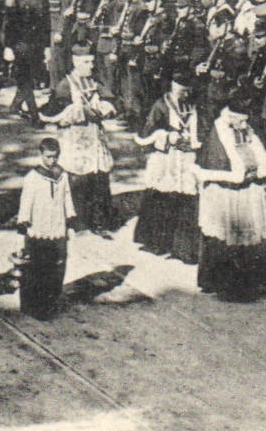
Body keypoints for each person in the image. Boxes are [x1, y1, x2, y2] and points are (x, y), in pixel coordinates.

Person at [195, 92, 266, 300]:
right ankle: (226, 285)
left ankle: (254, 281)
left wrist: (259, 169)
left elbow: (259, 152)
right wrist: (238, 174)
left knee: (252, 233)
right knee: (227, 234)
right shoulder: (218, 131)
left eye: (245, 120)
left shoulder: (245, 128)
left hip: (249, 189)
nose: (243, 123)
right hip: (227, 192)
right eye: (239, 119)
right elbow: (216, 162)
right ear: (230, 116)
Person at [40, 44, 117, 233]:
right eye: (86, 62)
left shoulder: (95, 82)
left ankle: (100, 222)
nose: (91, 65)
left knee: (99, 178)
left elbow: (112, 101)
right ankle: (79, 221)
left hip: (95, 138)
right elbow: (54, 113)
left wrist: (104, 107)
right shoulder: (65, 85)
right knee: (78, 180)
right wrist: (79, 111)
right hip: (75, 140)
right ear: (76, 62)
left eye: (92, 61)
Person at [132, 71, 201, 261]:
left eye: (187, 91)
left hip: (186, 158)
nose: (184, 95)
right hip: (166, 159)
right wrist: (166, 136)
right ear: (172, 87)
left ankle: (184, 249)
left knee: (187, 199)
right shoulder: (161, 106)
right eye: (181, 90)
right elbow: (146, 134)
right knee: (162, 198)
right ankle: (157, 243)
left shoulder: (192, 105)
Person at [17, 138, 75, 321]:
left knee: (56, 267)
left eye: (55, 157)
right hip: (38, 228)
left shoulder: (62, 175)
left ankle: (50, 303)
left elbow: (67, 197)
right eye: (48, 157)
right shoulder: (32, 177)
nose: (52, 161)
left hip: (57, 227)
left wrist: (70, 220)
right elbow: (26, 202)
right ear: (41, 155)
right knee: (36, 268)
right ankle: (32, 305)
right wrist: (24, 222)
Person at [2, 0, 50, 122]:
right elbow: (8, 25)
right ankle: (34, 114)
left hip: (37, 44)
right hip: (20, 43)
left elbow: (46, 25)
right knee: (26, 78)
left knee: (30, 77)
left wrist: (47, 47)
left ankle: (15, 106)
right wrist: (8, 47)